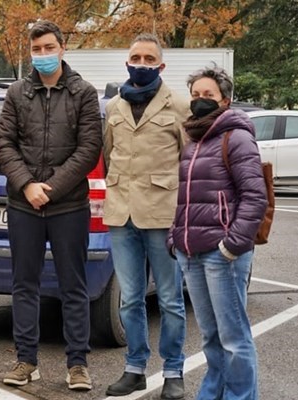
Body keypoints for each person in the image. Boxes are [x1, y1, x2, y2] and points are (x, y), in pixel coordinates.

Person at [0, 20, 102, 391]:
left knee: (74, 285)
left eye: (48, 48)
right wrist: (27, 185)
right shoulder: (16, 93)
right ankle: (26, 360)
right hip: (24, 205)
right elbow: (3, 143)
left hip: (68, 206)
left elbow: (89, 149)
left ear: (62, 48)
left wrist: (51, 188)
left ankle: (77, 364)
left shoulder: (83, 93)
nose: (42, 55)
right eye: (36, 49)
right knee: (24, 285)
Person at [169, 66, 267, 399]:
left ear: (224, 100)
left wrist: (233, 245)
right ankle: (212, 393)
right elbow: (185, 197)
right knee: (210, 336)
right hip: (192, 252)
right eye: (195, 95)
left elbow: (255, 197)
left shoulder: (236, 136)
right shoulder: (194, 140)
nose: (199, 101)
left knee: (234, 339)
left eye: (207, 95)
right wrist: (175, 239)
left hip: (221, 254)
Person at [103, 33, 189, 399]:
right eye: (135, 56)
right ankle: (135, 368)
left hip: (162, 215)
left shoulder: (179, 106)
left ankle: (173, 372)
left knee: (169, 299)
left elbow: (190, 164)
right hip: (121, 214)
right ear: (126, 61)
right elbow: (109, 156)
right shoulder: (113, 107)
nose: (140, 63)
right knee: (130, 299)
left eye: (148, 58)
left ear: (161, 65)